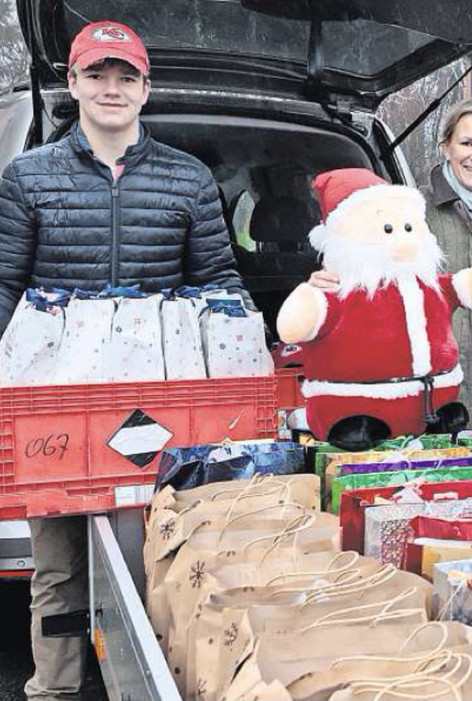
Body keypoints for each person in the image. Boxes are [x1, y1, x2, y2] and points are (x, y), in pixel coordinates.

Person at [0, 21, 243, 701]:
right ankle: (54, 687)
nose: (112, 88)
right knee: (57, 563)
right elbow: (4, 284)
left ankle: (149, 686)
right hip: (55, 397)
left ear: (146, 88)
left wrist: (241, 374)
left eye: (126, 76)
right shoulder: (28, 176)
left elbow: (216, 284)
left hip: (154, 400)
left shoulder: (186, 178)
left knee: (157, 553)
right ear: (73, 82)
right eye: (98, 74)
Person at [310, 97, 472, 432]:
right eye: (466, 143)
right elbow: (363, 276)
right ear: (446, 147)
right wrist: (328, 286)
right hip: (428, 404)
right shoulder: (410, 213)